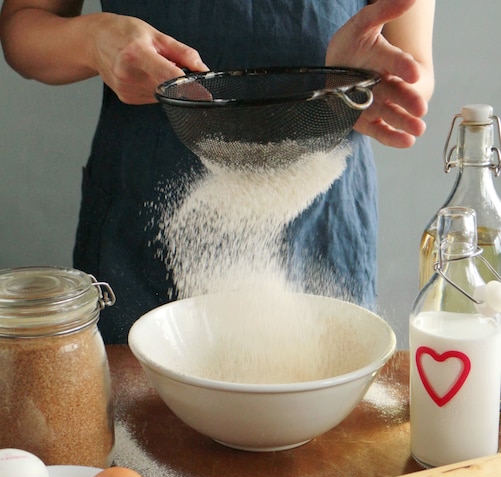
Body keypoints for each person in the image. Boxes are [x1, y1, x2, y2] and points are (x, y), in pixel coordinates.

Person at [0, 0, 435, 343]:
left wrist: (369, 80)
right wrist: (92, 40)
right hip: (142, 223)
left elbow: (414, 65)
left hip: (318, 226)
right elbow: (21, 28)